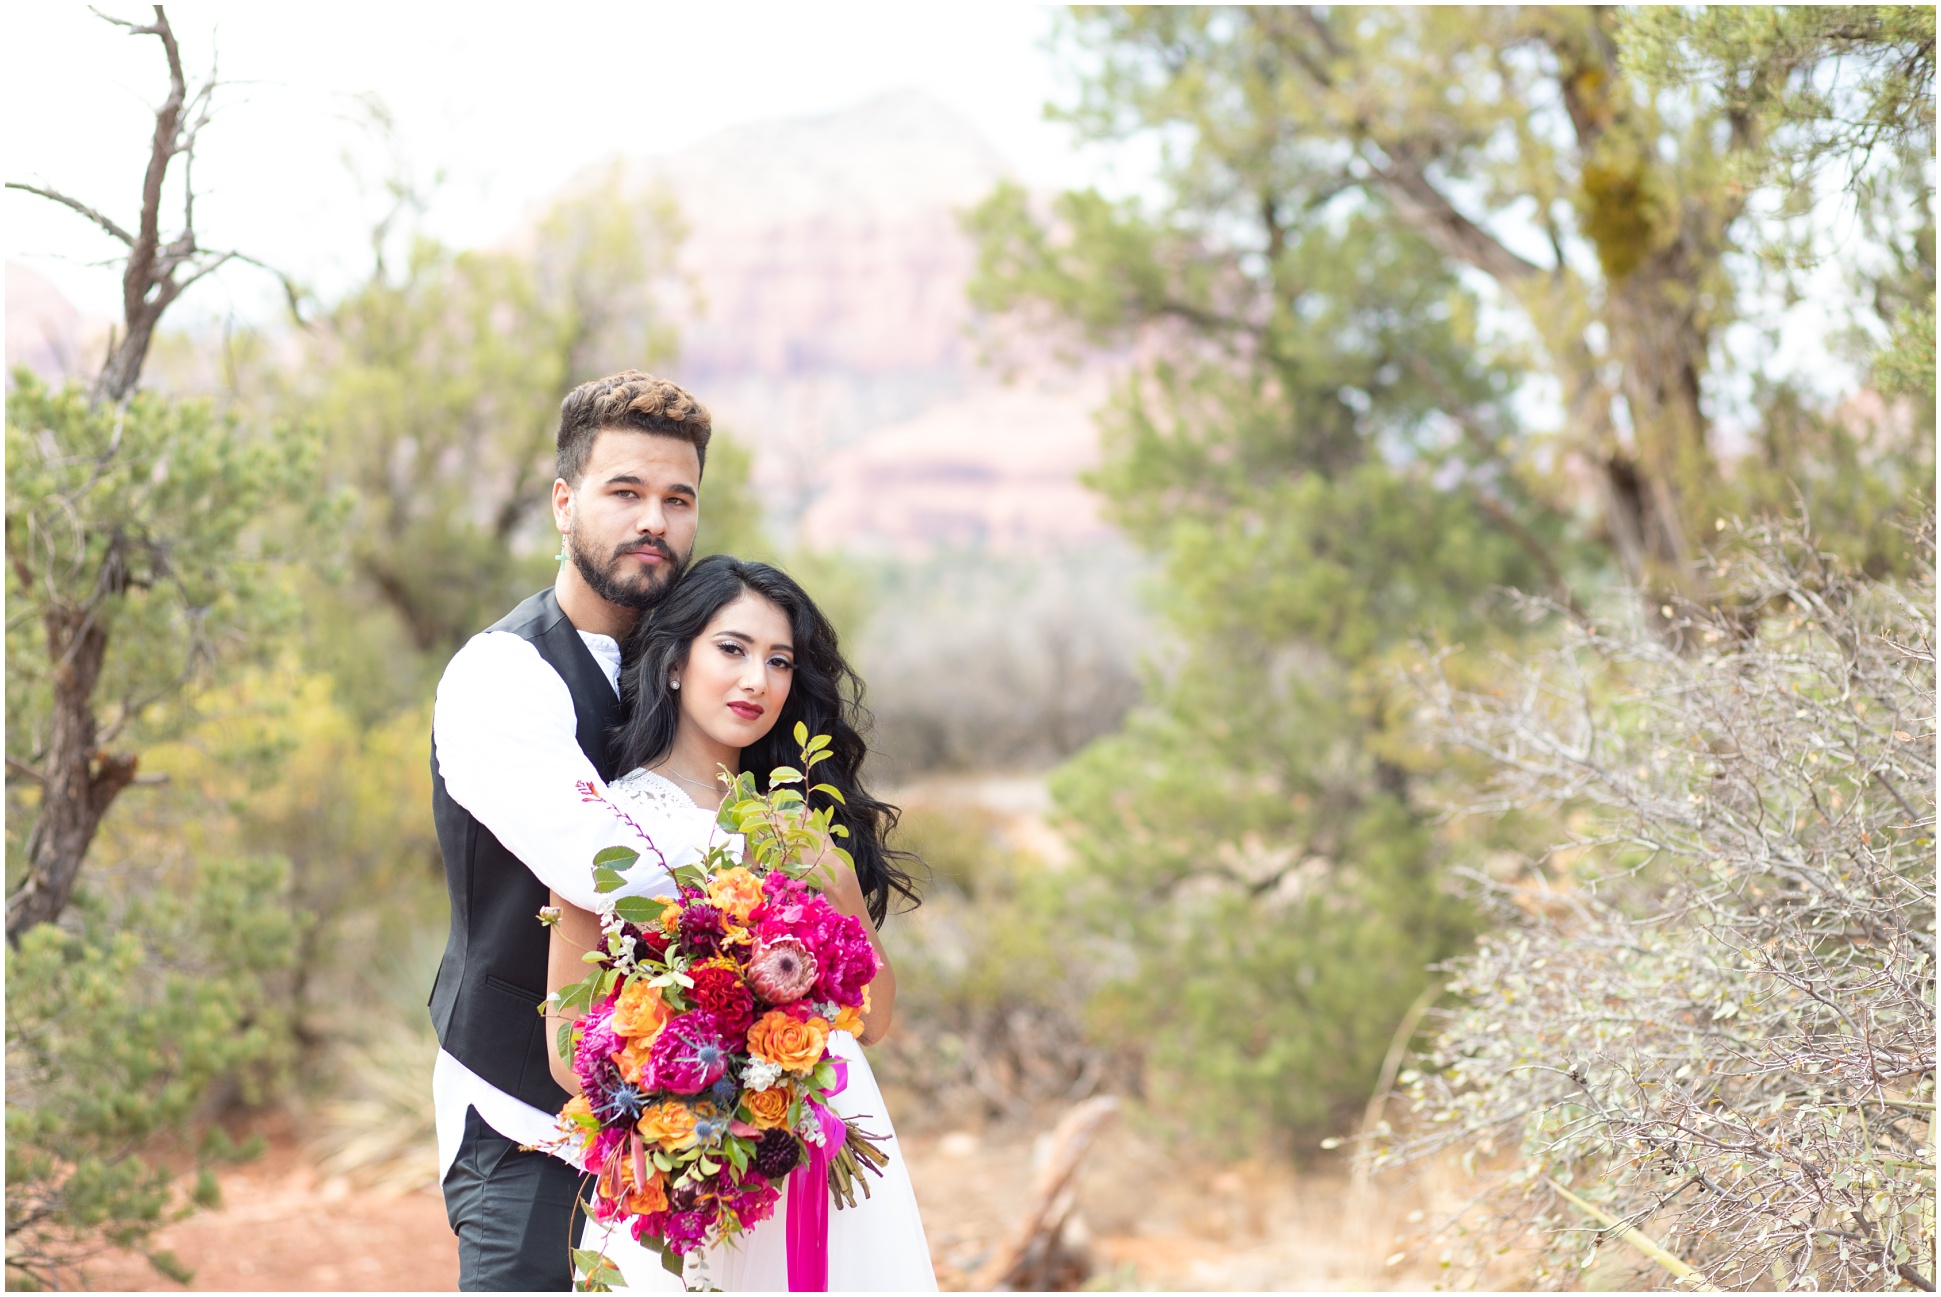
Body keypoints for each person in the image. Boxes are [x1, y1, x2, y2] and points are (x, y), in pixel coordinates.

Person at [544, 555, 936, 1292]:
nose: (757, 678)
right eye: (732, 648)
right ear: (673, 662)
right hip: (698, 1172)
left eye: (778, 659)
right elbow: (567, 1048)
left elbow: (874, 1019)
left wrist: (840, 879)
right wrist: (695, 1106)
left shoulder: (798, 828)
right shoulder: (604, 824)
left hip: (827, 1145)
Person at [430, 370, 708, 1290]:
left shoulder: (695, 672)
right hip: (524, 1119)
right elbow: (607, 866)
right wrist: (772, 879)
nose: (653, 521)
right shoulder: (500, 674)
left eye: (677, 499)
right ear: (563, 502)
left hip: (683, 1125)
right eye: (625, 492)